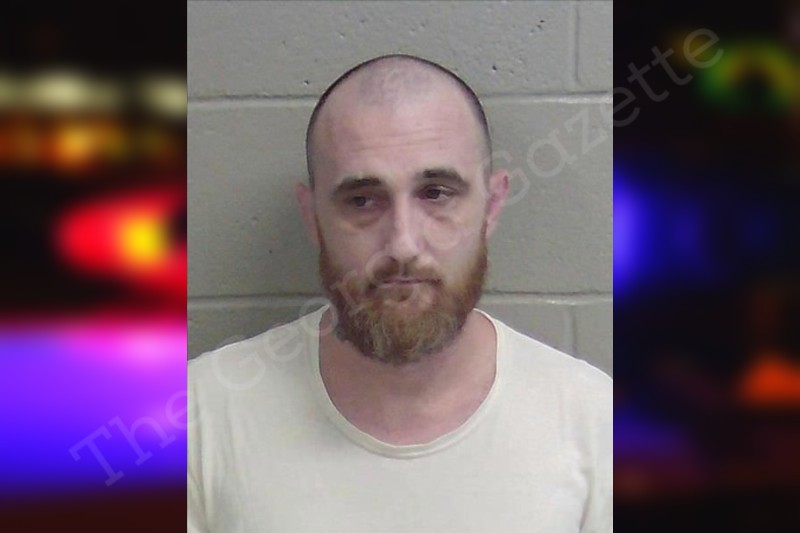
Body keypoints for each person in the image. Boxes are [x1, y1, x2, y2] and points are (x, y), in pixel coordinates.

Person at [188, 54, 612, 533]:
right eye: (362, 200)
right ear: (312, 217)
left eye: (436, 193)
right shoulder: (200, 420)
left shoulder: (596, 426)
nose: (403, 244)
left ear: (491, 207)